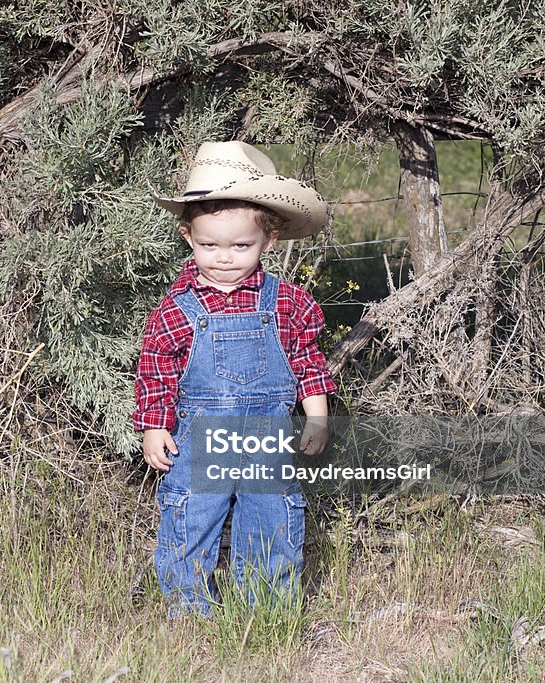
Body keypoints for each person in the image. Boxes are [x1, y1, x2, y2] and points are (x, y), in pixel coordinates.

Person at [133, 141, 336, 618]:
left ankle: (265, 611)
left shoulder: (288, 304)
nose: (224, 257)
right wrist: (154, 426)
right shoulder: (176, 310)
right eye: (209, 245)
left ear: (269, 240)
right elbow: (156, 370)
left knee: (271, 518)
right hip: (198, 442)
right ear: (188, 237)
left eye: (241, 245)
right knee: (191, 519)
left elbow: (308, 363)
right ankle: (188, 612)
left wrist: (318, 418)